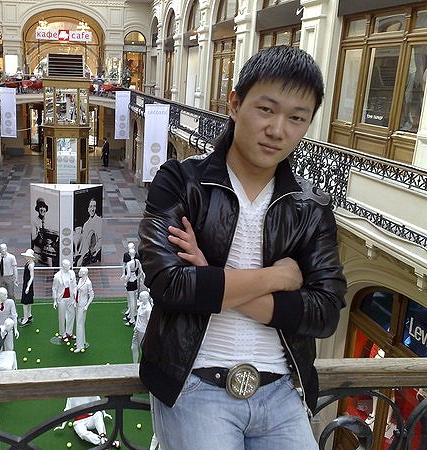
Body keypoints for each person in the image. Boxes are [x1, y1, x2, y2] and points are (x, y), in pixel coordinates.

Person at [137, 45, 347, 449]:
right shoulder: (181, 181)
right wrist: (278, 277)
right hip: (194, 384)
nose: (278, 130)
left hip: (282, 391)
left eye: (297, 118)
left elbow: (324, 312)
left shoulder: (310, 207)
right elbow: (169, 284)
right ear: (235, 104)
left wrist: (211, 278)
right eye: (266, 110)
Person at [54, 396, 120, 448]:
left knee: (98, 414)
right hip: (78, 422)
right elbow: (67, 410)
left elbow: (99, 401)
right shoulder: (71, 397)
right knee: (83, 434)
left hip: (89, 419)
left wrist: (104, 413)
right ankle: (107, 442)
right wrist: (62, 425)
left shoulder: (90, 393)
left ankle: (102, 436)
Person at [52, 259, 76, 342]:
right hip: (61, 298)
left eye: (69, 265)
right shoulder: (57, 276)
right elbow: (54, 289)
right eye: (68, 265)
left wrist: (75, 297)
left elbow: (74, 285)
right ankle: (63, 333)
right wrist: (55, 300)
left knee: (71, 315)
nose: (69, 266)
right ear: (63, 266)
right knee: (62, 316)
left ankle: (69, 332)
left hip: (70, 298)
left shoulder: (72, 273)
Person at [74, 198, 102, 266]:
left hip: (93, 255)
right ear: (88, 209)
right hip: (84, 254)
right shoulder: (86, 224)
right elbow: (84, 242)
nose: (92, 209)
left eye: (94, 206)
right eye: (91, 206)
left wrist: (93, 253)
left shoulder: (99, 221)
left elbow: (100, 240)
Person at [74, 267, 94, 352]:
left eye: (80, 271)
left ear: (84, 273)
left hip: (83, 305)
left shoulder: (88, 283)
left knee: (79, 324)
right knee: (79, 323)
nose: (78, 272)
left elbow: (92, 295)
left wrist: (87, 306)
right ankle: (81, 341)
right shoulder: (80, 280)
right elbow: (77, 291)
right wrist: (75, 301)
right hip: (78, 303)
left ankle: (80, 346)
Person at [121, 247, 143, 327]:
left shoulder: (129, 264)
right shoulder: (137, 261)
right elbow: (141, 271)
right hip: (135, 281)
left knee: (132, 300)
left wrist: (125, 282)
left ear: (130, 254)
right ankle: (131, 315)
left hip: (130, 282)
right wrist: (138, 278)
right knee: (134, 299)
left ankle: (132, 319)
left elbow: (128, 275)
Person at [131, 290, 152, 364]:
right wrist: (136, 325)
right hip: (137, 329)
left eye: (140, 297)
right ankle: (135, 363)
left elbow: (149, 322)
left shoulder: (148, 309)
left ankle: (144, 363)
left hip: (142, 331)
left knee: (142, 348)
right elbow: (138, 317)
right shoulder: (141, 305)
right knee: (133, 347)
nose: (139, 298)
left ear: (145, 298)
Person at [19, 249, 36, 326]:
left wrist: (28, 287)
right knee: (28, 300)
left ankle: (26, 318)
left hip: (28, 284)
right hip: (26, 283)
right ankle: (29, 315)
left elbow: (32, 277)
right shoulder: (29, 262)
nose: (26, 257)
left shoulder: (31, 265)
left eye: (27, 256)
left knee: (25, 302)